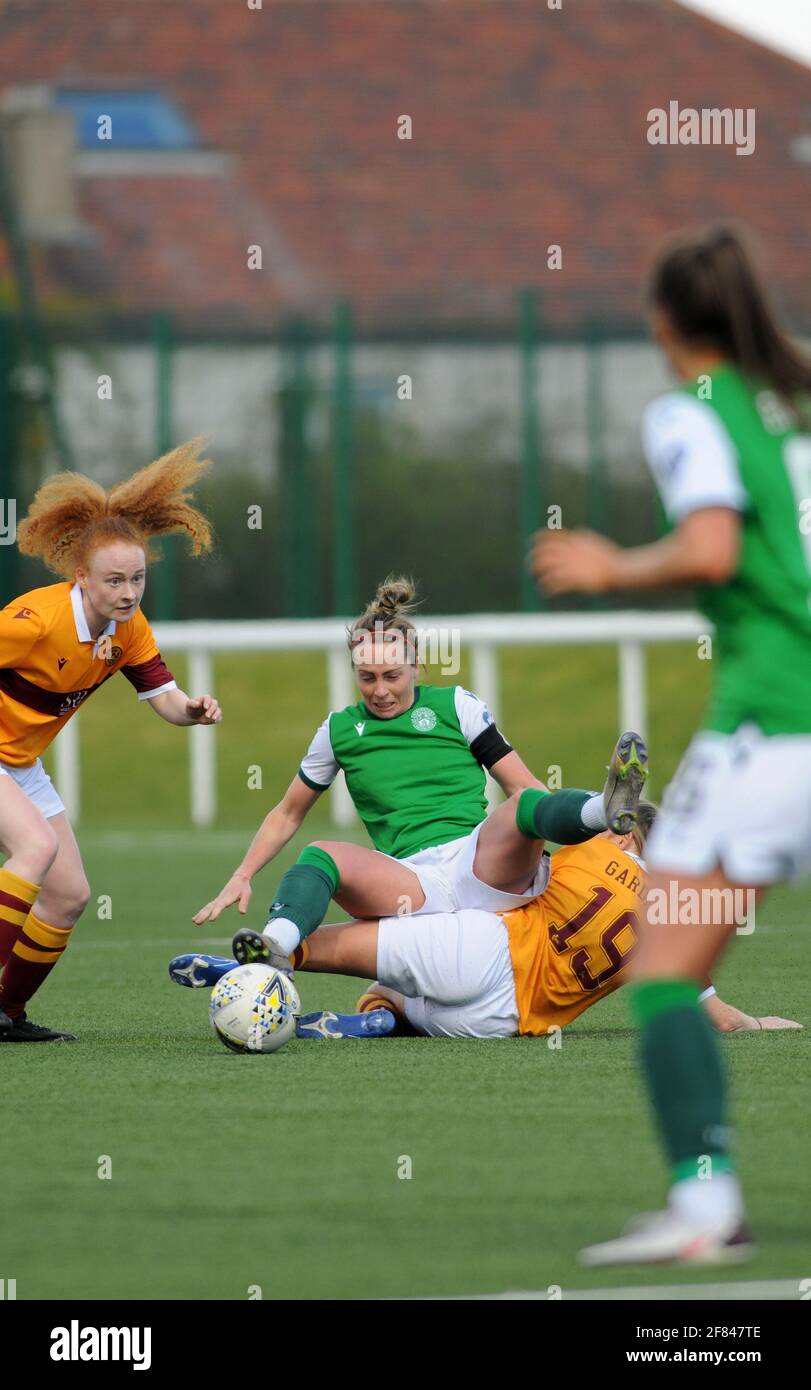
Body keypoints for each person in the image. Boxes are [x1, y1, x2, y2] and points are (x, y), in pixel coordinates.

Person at [533, 223, 811, 1265]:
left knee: (659, 967)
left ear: (661, 322)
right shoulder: (798, 403)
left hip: (772, 730)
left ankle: (704, 1204)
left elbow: (709, 545)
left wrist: (610, 567)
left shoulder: (690, 411)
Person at [192, 575, 649, 972]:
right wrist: (243, 873)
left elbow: (523, 785)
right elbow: (288, 814)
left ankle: (603, 807)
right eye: (367, 677)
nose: (380, 690)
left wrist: (584, 836)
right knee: (320, 854)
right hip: (408, 883)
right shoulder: (337, 732)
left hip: (482, 862)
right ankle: (275, 948)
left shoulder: (456, 706)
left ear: (416, 666)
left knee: (523, 806)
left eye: (392, 674)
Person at [170, 805, 799, 1046]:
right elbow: (705, 1003)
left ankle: (269, 960)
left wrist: (590, 817)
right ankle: (381, 1017)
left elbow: (530, 831)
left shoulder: (593, 851)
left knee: (327, 947)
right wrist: (755, 1024)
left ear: (629, 834)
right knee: (398, 999)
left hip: (481, 950)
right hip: (500, 1023)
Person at [0, 439, 221, 1042]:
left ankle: (7, 1014)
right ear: (82, 578)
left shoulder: (129, 629)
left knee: (70, 895)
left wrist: (193, 710)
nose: (128, 592)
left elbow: (165, 699)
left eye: (138, 579)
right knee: (35, 850)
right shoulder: (34, 621)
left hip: (18, 763)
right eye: (115, 580)